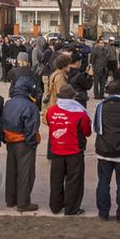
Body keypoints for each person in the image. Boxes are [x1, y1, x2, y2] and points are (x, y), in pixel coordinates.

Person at [93, 80, 120, 222]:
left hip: (104, 150)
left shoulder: (100, 107)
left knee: (103, 182)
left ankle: (103, 212)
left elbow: (96, 127)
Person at [46, 84, 91, 215]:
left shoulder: (52, 110)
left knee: (56, 180)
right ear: (73, 97)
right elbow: (87, 132)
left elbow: (49, 123)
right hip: (74, 151)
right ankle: (71, 208)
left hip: (56, 150)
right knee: (74, 181)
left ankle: (55, 206)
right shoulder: (80, 113)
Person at [1, 76, 41, 212]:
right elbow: (32, 128)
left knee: (12, 171)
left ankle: (11, 200)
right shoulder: (31, 106)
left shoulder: (9, 103)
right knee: (26, 174)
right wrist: (32, 143)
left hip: (10, 142)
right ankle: (23, 203)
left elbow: (2, 123)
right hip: (24, 143)